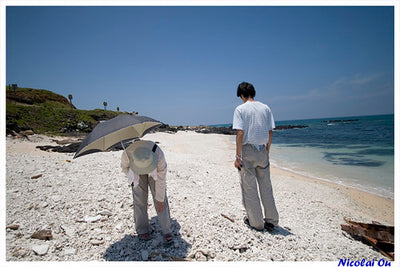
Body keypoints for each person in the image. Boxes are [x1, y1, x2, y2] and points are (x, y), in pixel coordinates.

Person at [232, 81, 279, 232]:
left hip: (248, 151)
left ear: (242, 95)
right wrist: (267, 151)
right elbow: (270, 132)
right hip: (262, 150)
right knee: (266, 187)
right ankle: (271, 221)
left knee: (249, 187)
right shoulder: (266, 108)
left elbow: (240, 134)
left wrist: (238, 156)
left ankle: (256, 222)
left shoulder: (240, 109)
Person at [121, 139, 173, 243]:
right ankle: (142, 229)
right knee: (139, 199)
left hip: (155, 169)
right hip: (136, 171)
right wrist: (132, 179)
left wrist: (160, 199)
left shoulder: (158, 155)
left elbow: (161, 181)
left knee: (161, 199)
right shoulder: (127, 153)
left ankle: (166, 230)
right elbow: (124, 167)